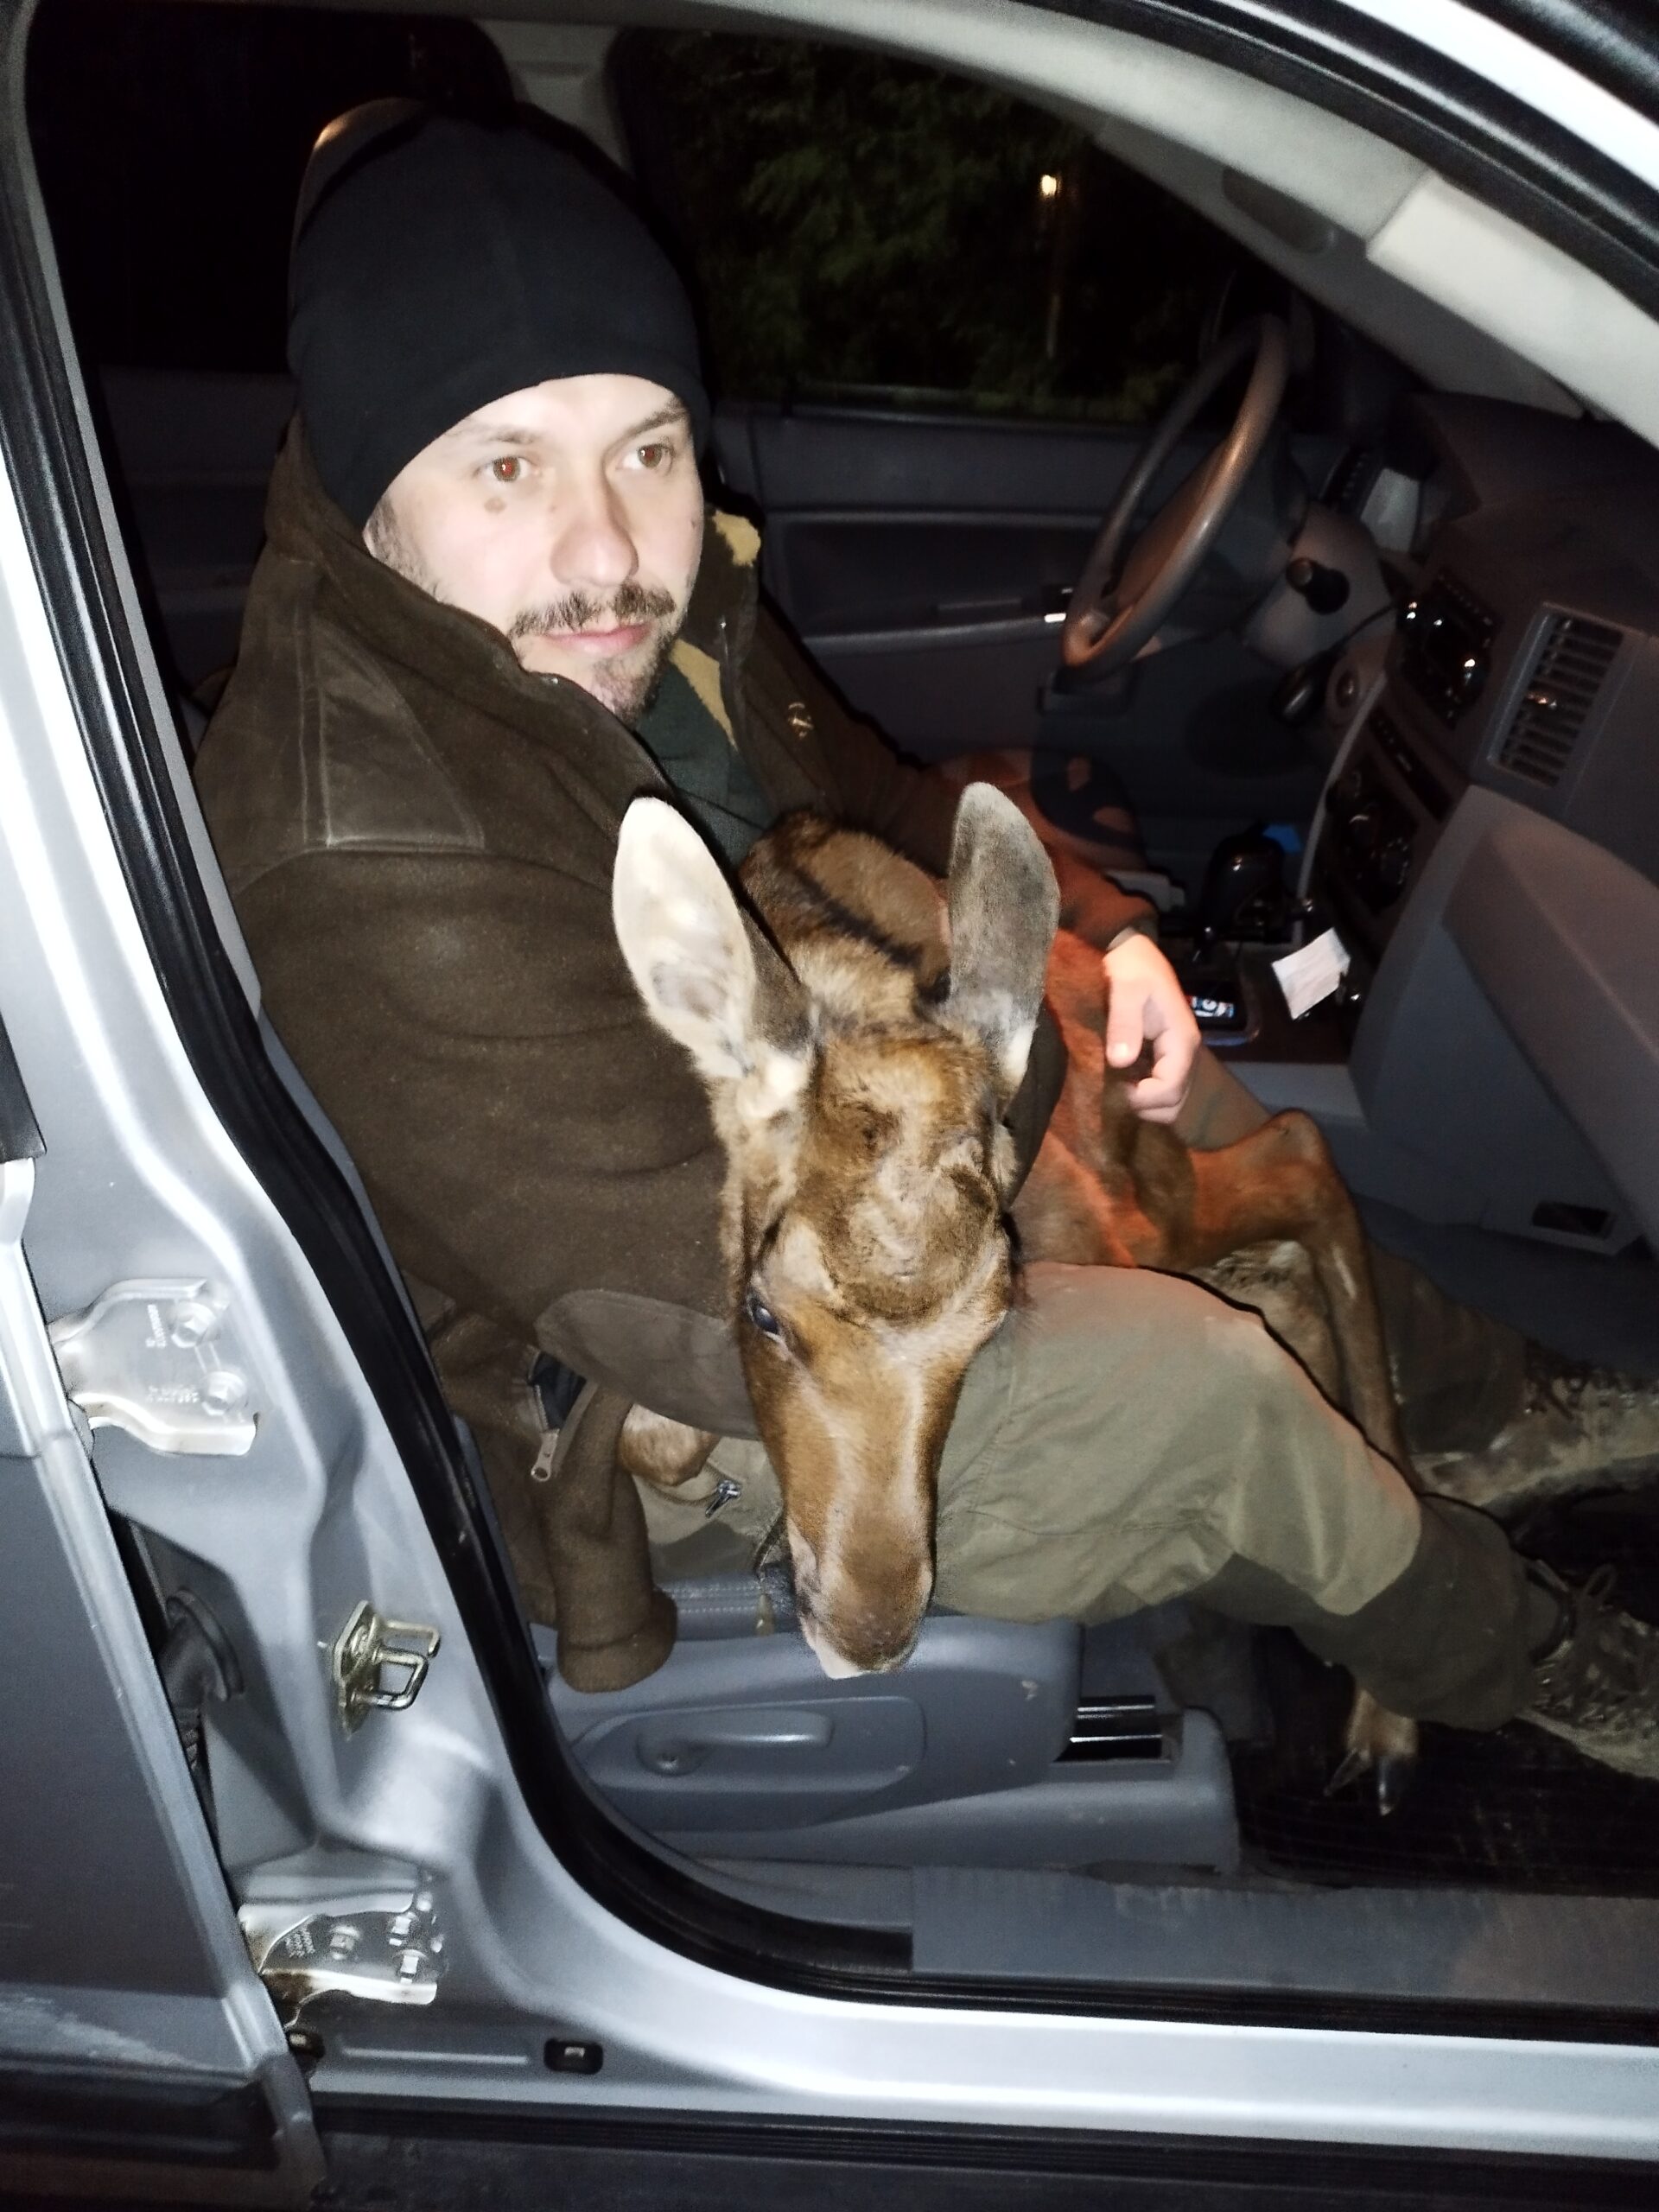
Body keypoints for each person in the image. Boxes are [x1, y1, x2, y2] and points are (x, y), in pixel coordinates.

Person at [194, 106, 1659, 1782]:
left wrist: (1102, 936)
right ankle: (1522, 1652)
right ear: (374, 487)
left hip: (851, 1153)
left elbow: (889, 801)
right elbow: (700, 1304)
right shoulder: (359, 846)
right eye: (507, 465)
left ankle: (1494, 1403)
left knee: (1172, 1078)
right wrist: (1018, 1051)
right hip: (691, 1376)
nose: (605, 549)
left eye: (648, 449)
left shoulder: (652, 632)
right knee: (1204, 1385)